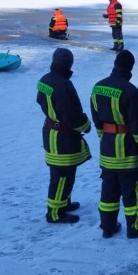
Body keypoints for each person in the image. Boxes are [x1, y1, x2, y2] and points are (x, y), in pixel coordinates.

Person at [90, 50, 138, 238]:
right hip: (128, 153)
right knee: (132, 192)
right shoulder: (131, 92)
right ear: (131, 68)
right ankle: (135, 228)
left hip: (107, 150)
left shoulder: (97, 87)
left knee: (109, 191)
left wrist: (105, 140)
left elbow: (97, 120)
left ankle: (108, 227)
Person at [36, 47, 91, 224]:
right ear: (69, 63)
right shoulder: (63, 84)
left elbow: (40, 100)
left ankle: (63, 202)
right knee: (61, 175)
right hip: (63, 137)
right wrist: (86, 125)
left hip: (51, 131)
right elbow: (71, 114)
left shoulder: (45, 79)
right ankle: (55, 213)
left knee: (65, 173)